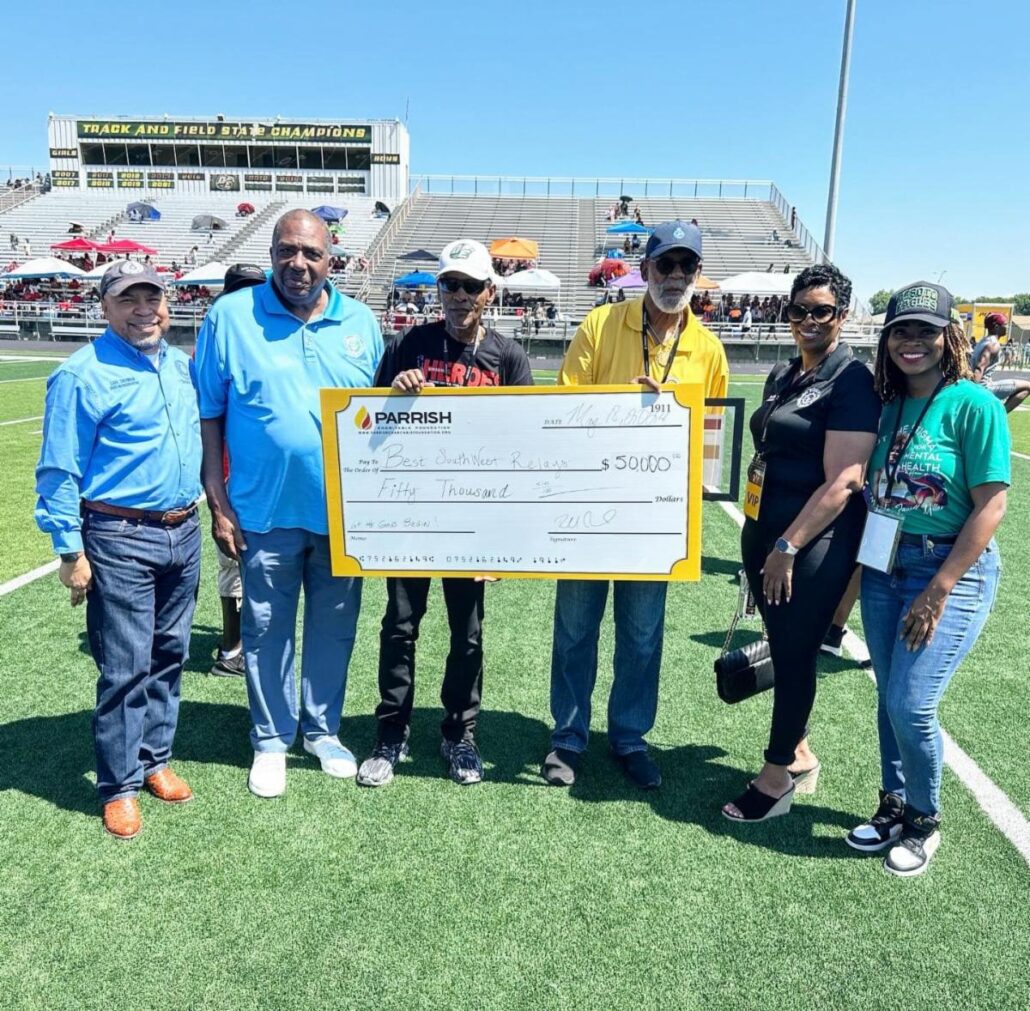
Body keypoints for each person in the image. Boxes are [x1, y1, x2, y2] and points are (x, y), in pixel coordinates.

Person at [195, 210, 383, 799]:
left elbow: (384, 418)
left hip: (342, 517)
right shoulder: (230, 316)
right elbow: (209, 414)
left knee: (334, 629)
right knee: (266, 627)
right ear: (272, 253)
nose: (297, 264)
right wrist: (217, 499)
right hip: (262, 512)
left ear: (332, 260)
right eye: (286, 251)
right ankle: (271, 738)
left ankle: (322, 730)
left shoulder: (361, 321)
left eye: (310, 253)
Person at [543, 221, 728, 790]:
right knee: (575, 629)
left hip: (655, 519)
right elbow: (564, 411)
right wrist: (627, 408)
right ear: (643, 269)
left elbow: (713, 446)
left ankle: (629, 735)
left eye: (686, 267)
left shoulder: (709, 347)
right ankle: (569, 736)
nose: (675, 277)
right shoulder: (601, 324)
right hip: (588, 509)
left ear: (697, 275)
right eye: (665, 265)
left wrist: (672, 426)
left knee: (643, 632)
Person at [34, 261, 203, 840]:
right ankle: (120, 784)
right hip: (119, 535)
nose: (143, 310)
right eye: (128, 299)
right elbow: (58, 471)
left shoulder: (181, 367)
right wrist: (68, 550)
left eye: (151, 297)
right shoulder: (81, 375)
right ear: (103, 307)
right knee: (125, 665)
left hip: (184, 529)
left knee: (169, 653)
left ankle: (154, 759)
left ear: (167, 303)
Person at [356, 239, 533, 789]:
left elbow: (525, 447)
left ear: (490, 292)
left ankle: (460, 735)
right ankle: (392, 733)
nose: (459, 296)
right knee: (400, 627)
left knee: (468, 634)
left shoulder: (507, 357)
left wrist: (504, 537)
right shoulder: (410, 343)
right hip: (411, 516)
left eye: (470, 286)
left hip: (474, 524)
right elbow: (365, 426)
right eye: (449, 285)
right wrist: (394, 393)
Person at [847, 282, 1008, 876]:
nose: (912, 342)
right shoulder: (885, 404)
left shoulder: (973, 403)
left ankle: (923, 819)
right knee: (888, 698)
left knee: (912, 703)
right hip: (885, 565)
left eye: (925, 330)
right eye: (901, 331)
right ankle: (893, 804)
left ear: (950, 337)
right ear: (887, 339)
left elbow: (991, 505)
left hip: (947, 568)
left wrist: (938, 588)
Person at [722, 263, 881, 823]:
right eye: (799, 310)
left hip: (812, 541)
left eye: (822, 311)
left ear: (842, 316)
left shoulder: (852, 380)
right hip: (767, 530)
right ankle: (802, 753)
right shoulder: (785, 373)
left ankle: (776, 777)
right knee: (781, 644)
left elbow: (845, 481)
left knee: (793, 655)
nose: (809, 320)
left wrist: (787, 547)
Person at [207, 264, 267, 677]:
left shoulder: (256, 336)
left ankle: (245, 642)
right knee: (234, 561)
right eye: (239, 291)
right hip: (232, 473)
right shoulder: (220, 336)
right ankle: (232, 649)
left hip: (261, 473)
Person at [969, 311, 1030, 412]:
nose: (1007, 327)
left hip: (983, 385)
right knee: (1028, 387)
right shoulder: (993, 344)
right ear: (997, 327)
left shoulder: (984, 340)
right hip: (984, 388)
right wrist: (970, 394)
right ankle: (1000, 415)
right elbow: (979, 369)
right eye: (1005, 324)